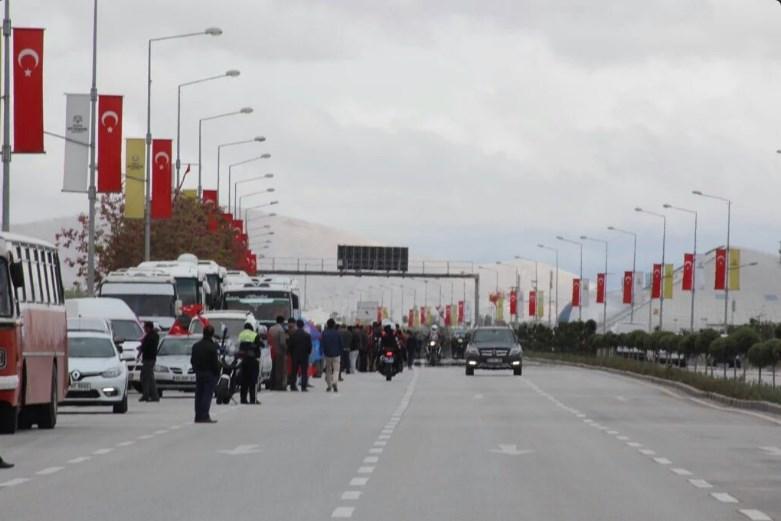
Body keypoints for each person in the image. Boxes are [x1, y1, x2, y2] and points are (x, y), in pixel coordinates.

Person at [191, 324, 221, 423]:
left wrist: (196, 369)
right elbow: (215, 363)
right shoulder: (212, 347)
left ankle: (198, 416)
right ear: (212, 334)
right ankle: (204, 416)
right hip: (209, 374)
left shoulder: (196, 346)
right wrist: (217, 373)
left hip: (199, 373)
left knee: (199, 395)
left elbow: (192, 360)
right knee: (207, 395)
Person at [237, 322, 261, 404]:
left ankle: (243, 399)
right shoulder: (254, 335)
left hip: (243, 360)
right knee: (253, 380)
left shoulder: (241, 334)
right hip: (253, 360)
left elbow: (238, 345)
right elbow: (260, 345)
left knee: (244, 380)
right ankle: (253, 399)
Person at [137, 322, 160, 402]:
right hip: (148, 359)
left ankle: (150, 395)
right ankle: (149, 394)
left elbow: (147, 346)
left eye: (145, 327)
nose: (144, 329)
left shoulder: (153, 336)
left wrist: (141, 348)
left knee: (147, 377)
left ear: (148, 327)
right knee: (147, 377)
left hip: (149, 359)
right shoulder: (150, 335)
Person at [289, 319, 312, 391]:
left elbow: (290, 346)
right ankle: (303, 387)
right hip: (304, 356)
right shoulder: (307, 335)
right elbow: (309, 346)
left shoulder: (293, 335)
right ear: (303, 326)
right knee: (304, 372)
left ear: (296, 325)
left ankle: (293, 386)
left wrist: (291, 353)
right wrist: (308, 353)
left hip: (295, 355)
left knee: (294, 371)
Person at [321, 319, 343, 392]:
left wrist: (322, 352)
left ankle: (329, 385)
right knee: (336, 369)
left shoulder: (324, 333)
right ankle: (335, 381)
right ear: (334, 325)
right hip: (336, 354)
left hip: (327, 354)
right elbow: (340, 343)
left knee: (328, 370)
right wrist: (341, 351)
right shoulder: (337, 333)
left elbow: (322, 343)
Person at [268, 316, 288, 391]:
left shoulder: (271, 329)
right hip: (279, 352)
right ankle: (278, 385)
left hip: (271, 351)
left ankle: (271, 385)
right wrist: (286, 349)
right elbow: (283, 343)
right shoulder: (281, 330)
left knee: (272, 369)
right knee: (279, 369)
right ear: (282, 321)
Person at [286, 318, 298, 390]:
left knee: (288, 369)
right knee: (293, 370)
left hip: (287, 352)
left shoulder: (285, 330)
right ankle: (292, 384)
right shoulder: (295, 331)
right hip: (293, 353)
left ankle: (288, 382)